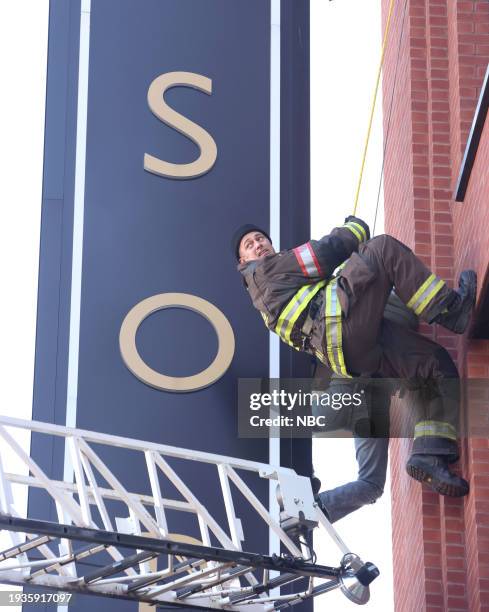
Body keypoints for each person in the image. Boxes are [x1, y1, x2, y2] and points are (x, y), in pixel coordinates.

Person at [232, 218, 476, 515]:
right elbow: (328, 251)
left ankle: (430, 453)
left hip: (352, 357)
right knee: (383, 248)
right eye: (251, 244)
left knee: (436, 366)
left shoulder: (268, 294)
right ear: (243, 262)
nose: (259, 244)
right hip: (343, 330)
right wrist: (356, 227)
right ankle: (451, 309)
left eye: (261, 239)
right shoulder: (268, 271)